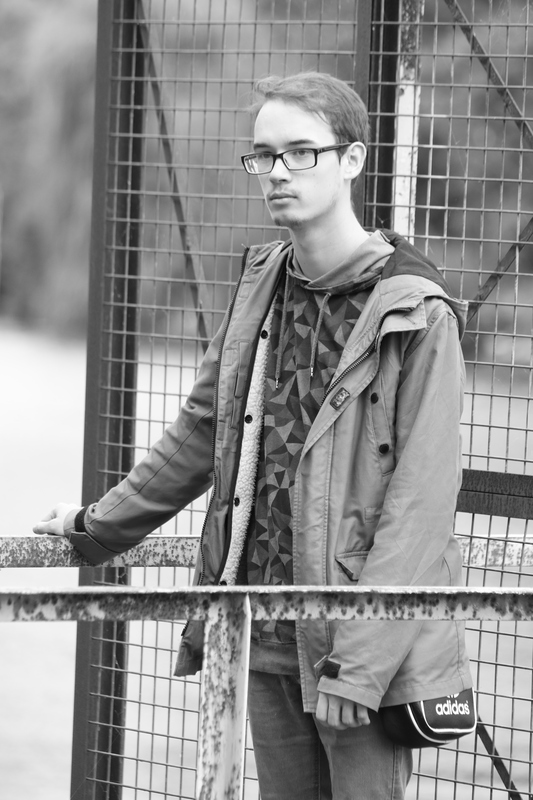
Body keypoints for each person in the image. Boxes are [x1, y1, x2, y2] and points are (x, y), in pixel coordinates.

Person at [34, 72, 472, 800]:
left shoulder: (416, 312)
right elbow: (200, 433)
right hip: (262, 626)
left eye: (300, 152)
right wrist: (94, 527)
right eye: (263, 155)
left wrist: (360, 664)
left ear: (352, 160)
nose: (277, 172)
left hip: (354, 643)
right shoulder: (263, 282)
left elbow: (419, 509)